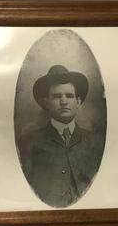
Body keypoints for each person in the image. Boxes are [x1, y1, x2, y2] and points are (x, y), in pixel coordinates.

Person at [18, 65, 105, 208]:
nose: (64, 102)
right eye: (57, 96)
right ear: (47, 103)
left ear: (78, 102)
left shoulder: (94, 142)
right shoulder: (28, 142)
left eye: (69, 96)